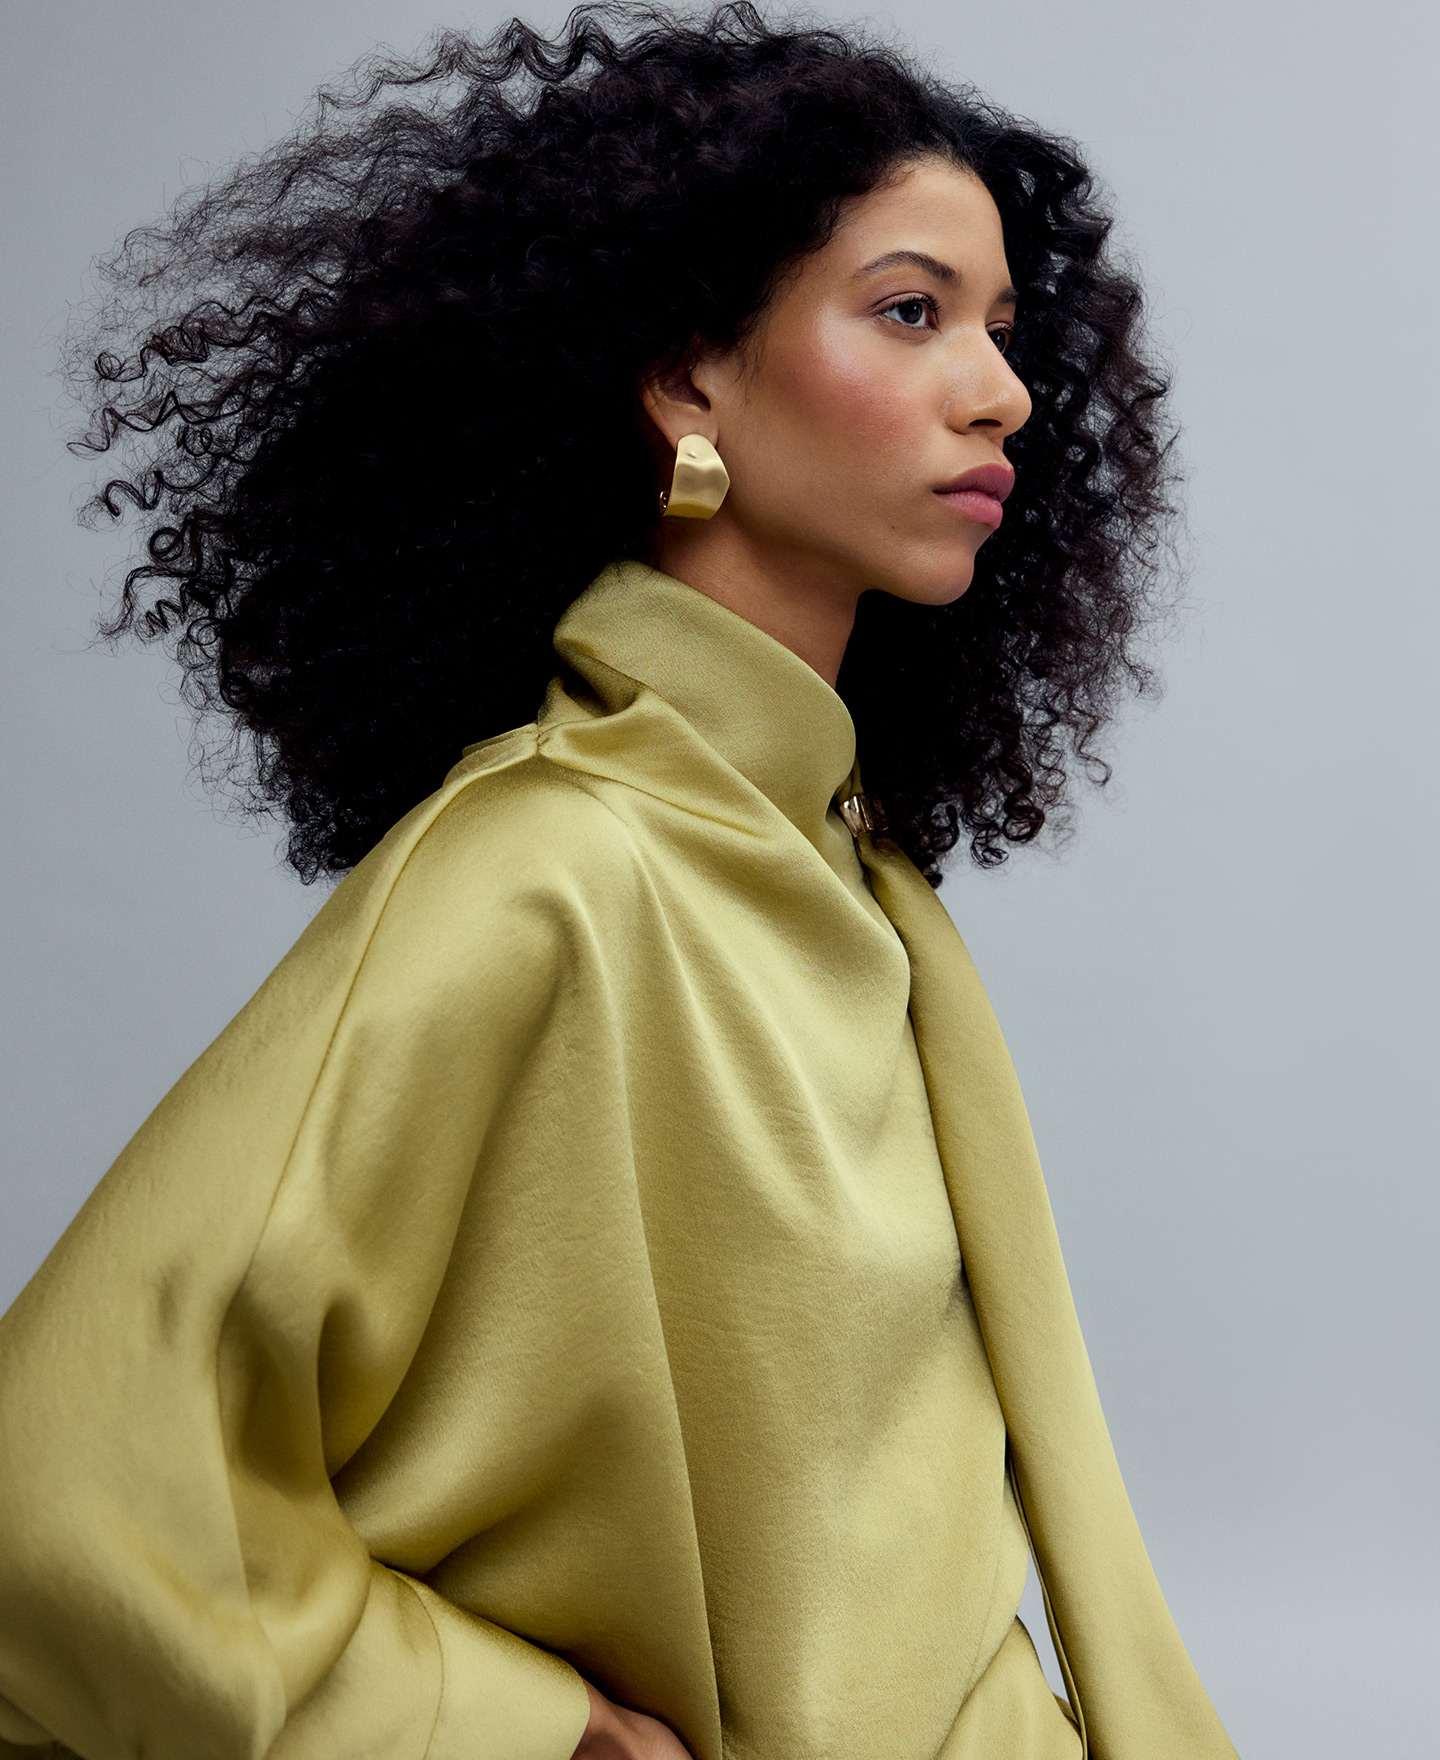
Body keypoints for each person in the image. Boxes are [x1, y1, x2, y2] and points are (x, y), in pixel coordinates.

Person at [0, 7, 1238, 1758]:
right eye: (911, 311)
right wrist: (515, 1729)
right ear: (688, 380)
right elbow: (58, 1497)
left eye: (1003, 331)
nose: (1003, 391)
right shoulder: (546, 871)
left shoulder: (857, 883)